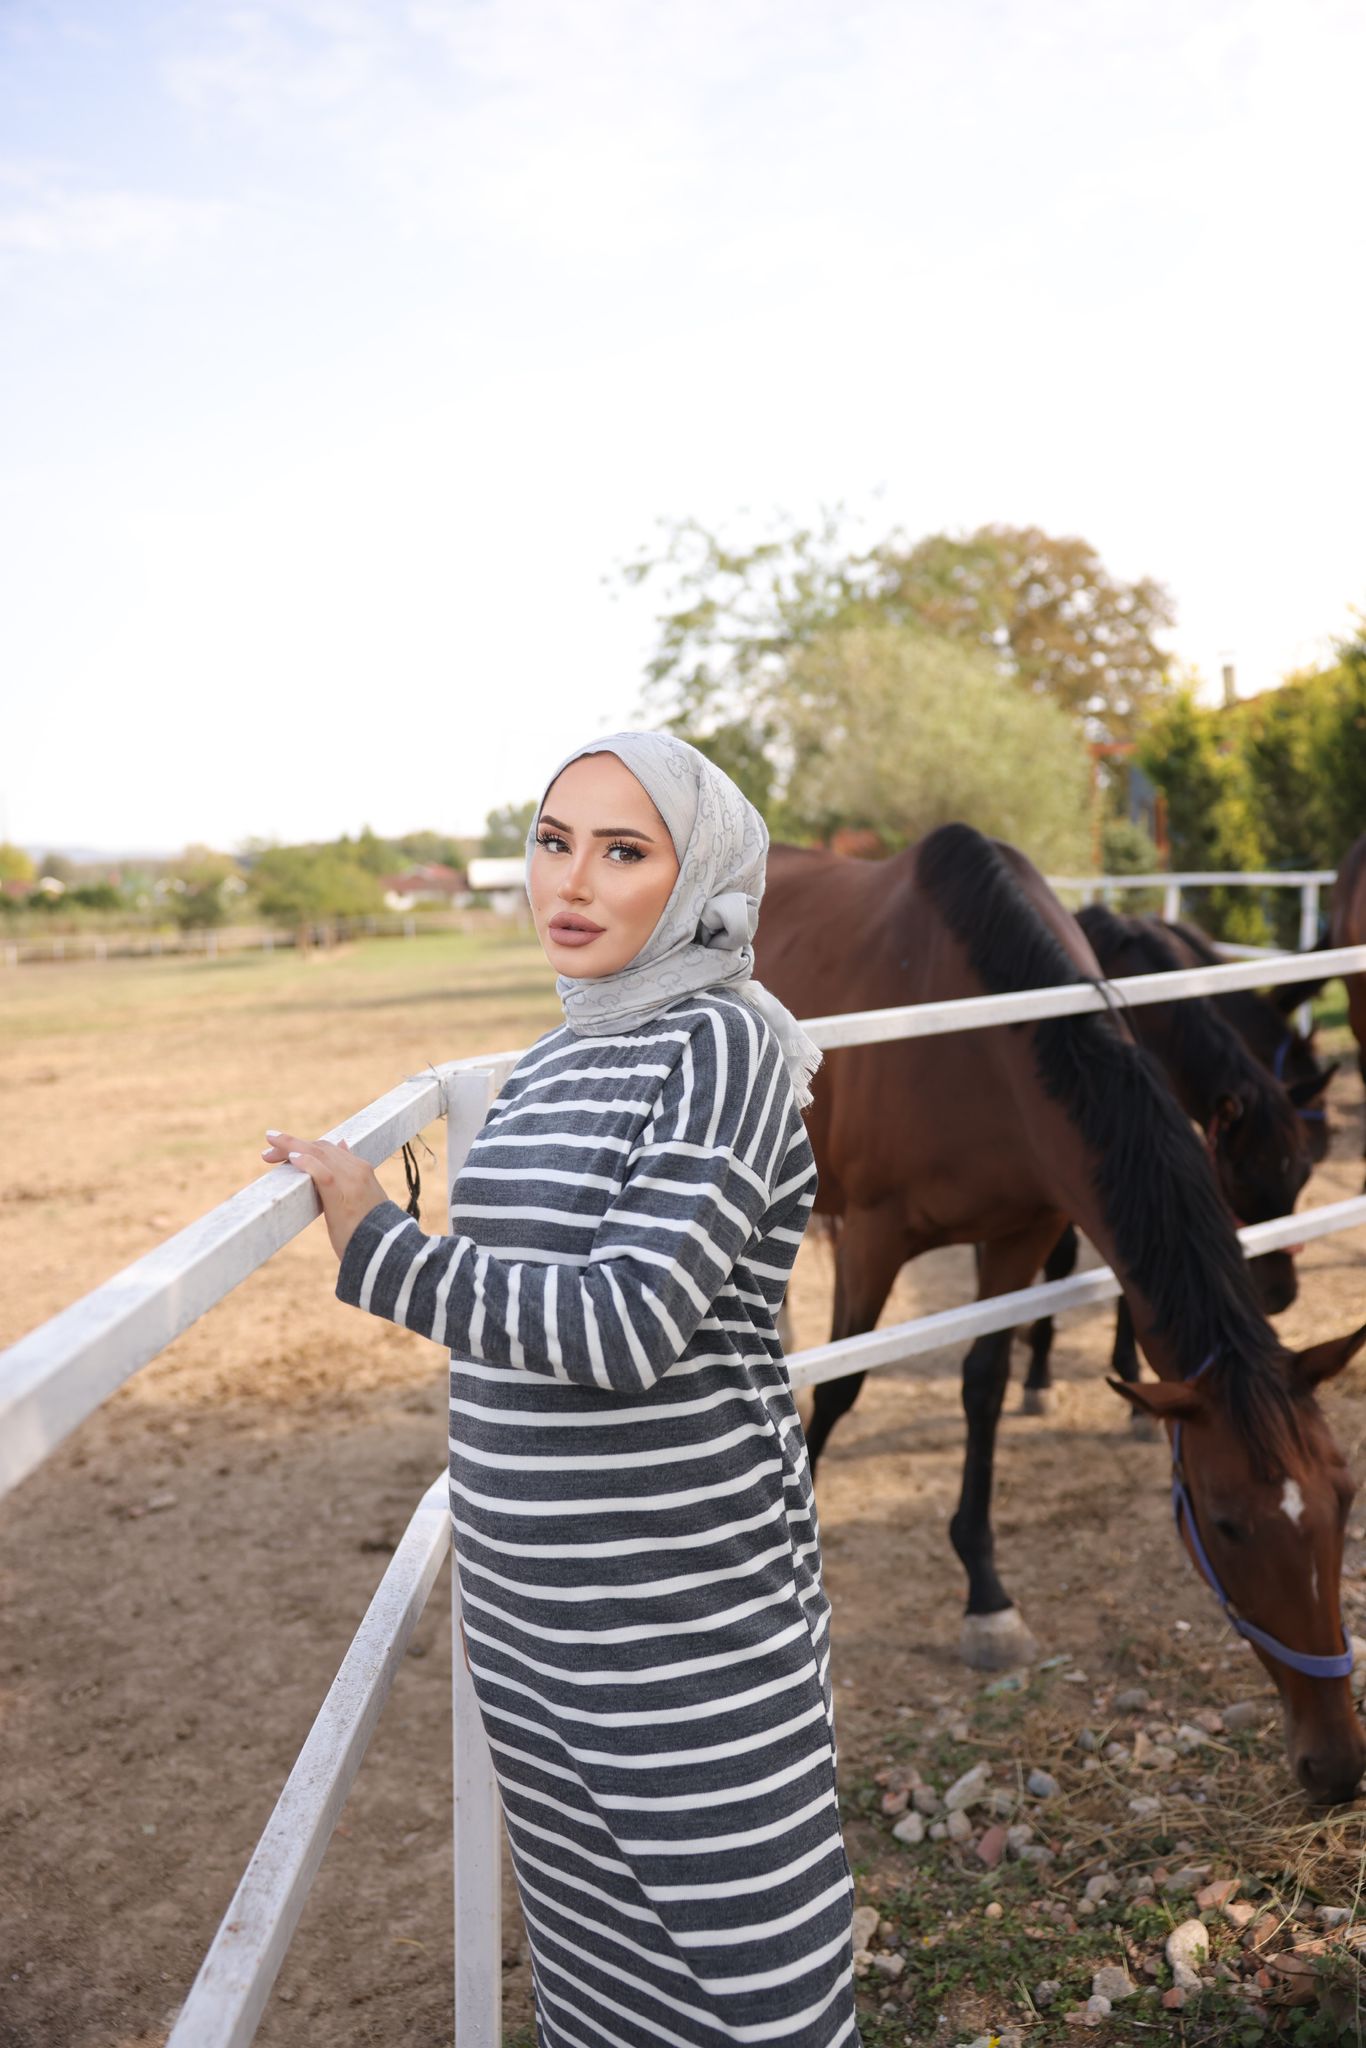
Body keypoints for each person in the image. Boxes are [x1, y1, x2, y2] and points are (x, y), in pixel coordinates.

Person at [261, 731, 861, 2048]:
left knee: (748, 1990)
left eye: (623, 850)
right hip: (538, 1636)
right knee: (598, 1990)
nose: (569, 881)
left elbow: (628, 1324)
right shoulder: (541, 1066)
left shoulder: (723, 1047)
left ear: (698, 879)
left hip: (682, 1633)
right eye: (552, 840)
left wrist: (376, 1244)